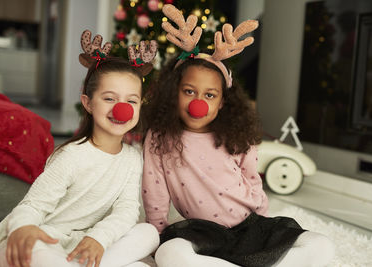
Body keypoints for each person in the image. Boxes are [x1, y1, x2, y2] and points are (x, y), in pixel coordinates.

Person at [141, 4, 335, 267]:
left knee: (323, 246)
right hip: (201, 231)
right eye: (189, 91)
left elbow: (252, 179)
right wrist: (157, 235)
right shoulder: (160, 136)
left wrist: (265, 226)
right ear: (173, 93)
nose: (199, 102)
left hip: (248, 224)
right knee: (168, 255)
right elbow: (155, 191)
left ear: (222, 102)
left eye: (209, 95)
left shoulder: (234, 133)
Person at [0, 30, 160, 267]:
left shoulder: (133, 158)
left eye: (131, 101)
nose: (122, 109)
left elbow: (126, 210)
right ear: (88, 103)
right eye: (109, 99)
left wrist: (98, 238)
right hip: (44, 239)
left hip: (80, 244)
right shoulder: (71, 156)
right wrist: (23, 229)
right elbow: (33, 206)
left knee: (148, 233)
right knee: (30, 249)